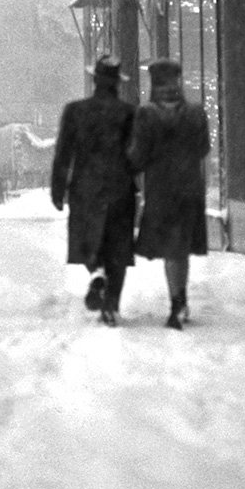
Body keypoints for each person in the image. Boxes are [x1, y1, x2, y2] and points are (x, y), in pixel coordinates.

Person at [49, 55, 137, 325]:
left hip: (85, 189)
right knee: (118, 248)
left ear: (94, 80)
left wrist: (58, 187)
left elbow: (64, 152)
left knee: (90, 241)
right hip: (120, 189)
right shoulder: (128, 113)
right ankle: (111, 304)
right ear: (117, 84)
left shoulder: (75, 111)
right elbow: (136, 154)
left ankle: (96, 271)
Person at [128, 58, 211, 330]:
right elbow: (202, 149)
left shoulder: (147, 115)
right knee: (181, 249)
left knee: (171, 250)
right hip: (189, 189)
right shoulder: (196, 113)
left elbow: (138, 157)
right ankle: (181, 300)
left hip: (162, 191)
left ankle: (177, 304)